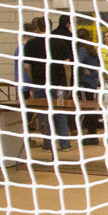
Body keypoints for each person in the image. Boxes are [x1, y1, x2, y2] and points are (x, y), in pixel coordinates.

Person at [23, 15, 73, 152]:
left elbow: (26, 66)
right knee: (61, 112)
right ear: (51, 26)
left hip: (40, 85)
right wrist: (68, 84)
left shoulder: (31, 44)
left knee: (44, 114)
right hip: (59, 86)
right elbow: (67, 65)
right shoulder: (60, 42)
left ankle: (47, 143)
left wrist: (34, 79)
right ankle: (65, 143)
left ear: (38, 27)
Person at [75, 27, 101, 146]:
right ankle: (93, 134)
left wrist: (83, 70)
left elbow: (77, 64)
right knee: (92, 108)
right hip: (92, 82)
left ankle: (90, 135)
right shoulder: (93, 50)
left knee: (87, 109)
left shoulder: (82, 50)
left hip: (85, 83)